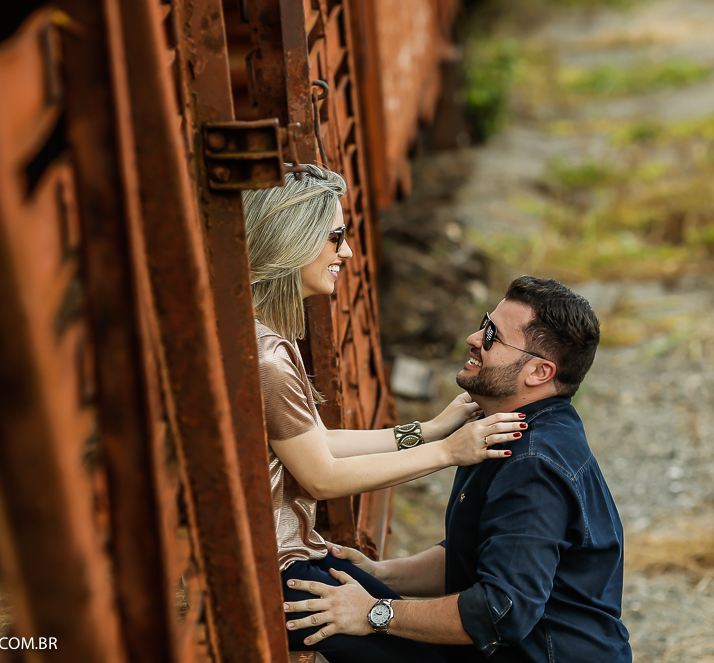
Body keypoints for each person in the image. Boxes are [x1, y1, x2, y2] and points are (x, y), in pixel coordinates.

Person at [242, 164, 525, 661]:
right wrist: (447, 452)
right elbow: (324, 476)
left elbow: (316, 441)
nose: (346, 252)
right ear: (293, 239)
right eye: (336, 237)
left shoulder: (255, 334)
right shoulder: (266, 355)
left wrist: (426, 430)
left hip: (280, 560)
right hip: (274, 573)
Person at [284, 276, 633, 662]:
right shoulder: (504, 428)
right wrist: (381, 574)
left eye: (492, 336)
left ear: (539, 373)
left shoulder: (533, 465)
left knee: (310, 604)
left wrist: (372, 612)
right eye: (484, 323)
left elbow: (500, 612)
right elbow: (474, 553)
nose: (472, 337)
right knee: (325, 580)